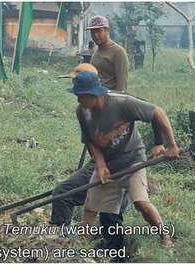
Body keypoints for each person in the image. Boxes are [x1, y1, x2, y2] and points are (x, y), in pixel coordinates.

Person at [68, 71, 179, 246]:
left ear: (92, 95)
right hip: (109, 164)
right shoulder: (82, 112)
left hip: (133, 160)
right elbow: (90, 141)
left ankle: (165, 237)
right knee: (91, 207)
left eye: (80, 96)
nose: (78, 100)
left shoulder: (122, 103)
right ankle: (80, 245)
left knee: (141, 202)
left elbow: (158, 112)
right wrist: (101, 164)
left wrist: (170, 145)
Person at [87, 15, 128, 92]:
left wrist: (118, 101)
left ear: (107, 30)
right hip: (96, 97)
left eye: (99, 31)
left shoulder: (118, 52)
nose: (95, 35)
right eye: (93, 32)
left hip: (110, 99)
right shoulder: (96, 50)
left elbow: (122, 86)